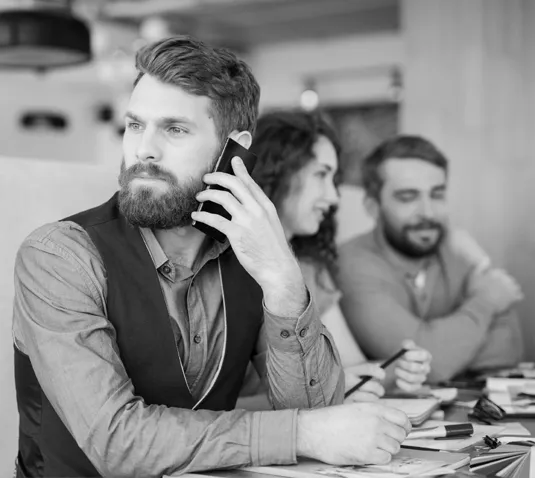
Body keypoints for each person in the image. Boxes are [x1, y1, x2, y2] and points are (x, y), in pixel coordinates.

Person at [11, 37, 410, 478]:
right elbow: (116, 441)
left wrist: (283, 278)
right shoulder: (59, 256)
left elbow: (320, 415)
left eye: (175, 129)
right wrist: (300, 434)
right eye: (135, 125)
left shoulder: (250, 258)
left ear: (232, 149)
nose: (144, 150)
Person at [248, 110, 432, 401]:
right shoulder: (223, 267)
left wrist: (393, 371)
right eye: (321, 174)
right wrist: (331, 391)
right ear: (279, 171)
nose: (333, 197)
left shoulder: (310, 268)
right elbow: (206, 411)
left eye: (334, 179)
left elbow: (349, 367)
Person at [335, 135, 524, 383]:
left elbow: (506, 351)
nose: (428, 212)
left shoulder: (459, 250)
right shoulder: (352, 262)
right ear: (373, 206)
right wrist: (485, 302)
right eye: (407, 197)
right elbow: (430, 366)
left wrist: (443, 349)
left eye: (437, 195)